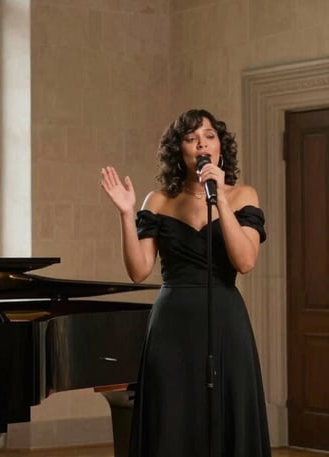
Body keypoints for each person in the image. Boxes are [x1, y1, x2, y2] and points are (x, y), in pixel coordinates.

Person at [99, 109, 271, 456]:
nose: (201, 144)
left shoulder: (244, 196)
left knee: (225, 414)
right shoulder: (159, 200)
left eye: (209, 136)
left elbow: (245, 261)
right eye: (191, 138)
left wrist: (220, 198)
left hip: (224, 321)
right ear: (180, 150)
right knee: (171, 418)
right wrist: (126, 214)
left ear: (221, 148)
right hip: (171, 326)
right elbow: (139, 270)